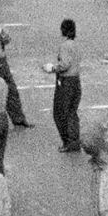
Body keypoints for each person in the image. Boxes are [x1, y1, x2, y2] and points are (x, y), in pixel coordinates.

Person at [45, 18, 82, 153]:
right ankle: (74, 140)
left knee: (60, 112)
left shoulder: (65, 46)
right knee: (71, 112)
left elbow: (65, 64)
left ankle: (68, 141)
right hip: (75, 81)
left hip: (66, 82)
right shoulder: (75, 45)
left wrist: (53, 68)